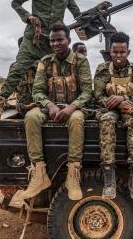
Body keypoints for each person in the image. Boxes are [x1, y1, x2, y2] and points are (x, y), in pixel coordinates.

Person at [0, 0, 107, 119]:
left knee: (53, 74)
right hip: (32, 39)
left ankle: (50, 104)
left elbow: (78, 16)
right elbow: (15, 3)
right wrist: (29, 17)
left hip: (51, 43)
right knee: (17, 70)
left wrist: (96, 9)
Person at [20, 22, 93, 201]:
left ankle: (73, 174)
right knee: (31, 117)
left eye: (60, 40)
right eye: (52, 41)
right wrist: (50, 105)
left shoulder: (80, 60)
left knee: (76, 120)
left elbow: (87, 91)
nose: (56, 44)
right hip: (50, 107)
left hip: (74, 107)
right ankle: (39, 173)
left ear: (68, 40)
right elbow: (37, 91)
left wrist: (71, 107)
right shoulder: (45, 62)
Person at [93, 32, 133, 200]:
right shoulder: (102, 69)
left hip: (128, 107)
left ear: (128, 52)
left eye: (122, 52)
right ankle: (109, 178)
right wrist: (112, 102)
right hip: (108, 109)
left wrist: (124, 99)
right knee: (107, 120)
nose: (119, 55)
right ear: (110, 51)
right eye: (115, 52)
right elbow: (98, 95)